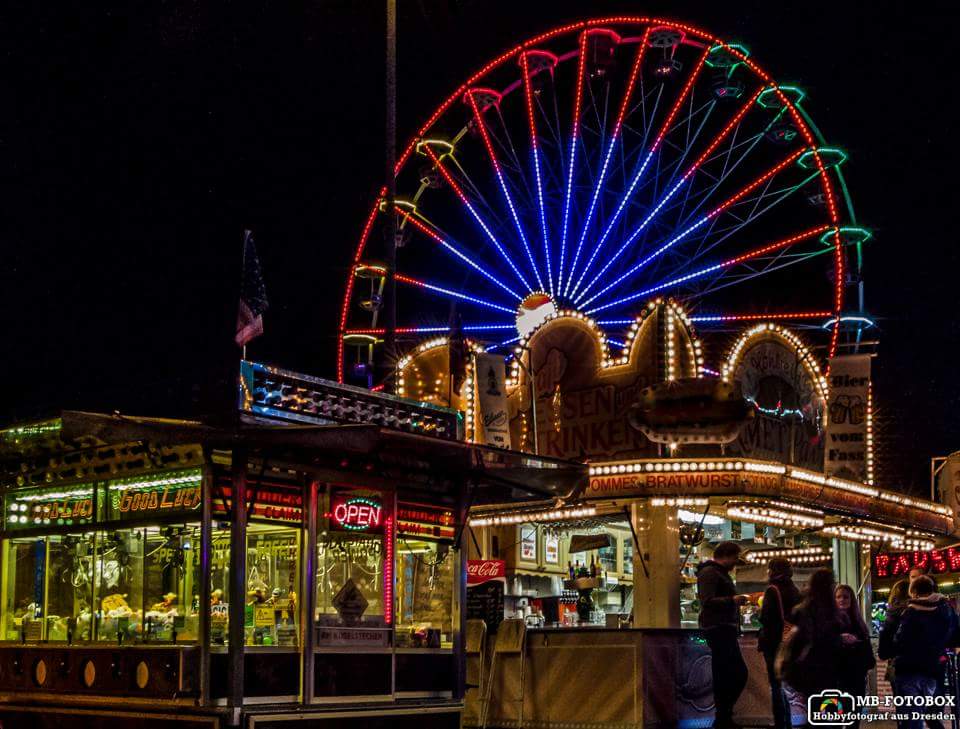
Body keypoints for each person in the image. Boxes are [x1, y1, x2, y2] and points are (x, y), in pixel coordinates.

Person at [779, 569, 858, 702]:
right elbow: (822, 639)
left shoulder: (801, 609)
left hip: (807, 670)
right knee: (827, 711)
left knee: (815, 710)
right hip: (826, 669)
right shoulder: (831, 613)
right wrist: (840, 639)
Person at [891, 576, 957, 729]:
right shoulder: (946, 609)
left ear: (913, 592)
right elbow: (955, 637)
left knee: (912, 718)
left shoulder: (910, 612)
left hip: (909, 670)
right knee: (931, 715)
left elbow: (899, 640)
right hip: (933, 669)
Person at [697, 541, 749, 728]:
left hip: (722, 628)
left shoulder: (716, 573)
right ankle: (723, 715)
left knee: (726, 673)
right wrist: (732, 600)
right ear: (726, 556)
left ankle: (724, 716)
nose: (736, 562)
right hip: (718, 628)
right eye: (735, 558)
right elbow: (707, 600)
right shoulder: (711, 573)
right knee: (736, 673)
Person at [758, 558, 801, 729]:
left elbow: (766, 619)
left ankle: (780, 722)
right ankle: (787, 721)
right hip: (788, 641)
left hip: (773, 643)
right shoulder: (793, 589)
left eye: (769, 568)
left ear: (774, 570)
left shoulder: (772, 590)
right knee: (782, 684)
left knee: (776, 686)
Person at [835, 584, 876, 727]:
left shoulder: (859, 624)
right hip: (836, 681)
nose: (842, 600)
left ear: (852, 599)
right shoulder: (829, 624)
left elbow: (869, 659)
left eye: (845, 597)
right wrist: (839, 640)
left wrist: (855, 644)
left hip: (855, 680)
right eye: (838, 597)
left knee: (853, 722)